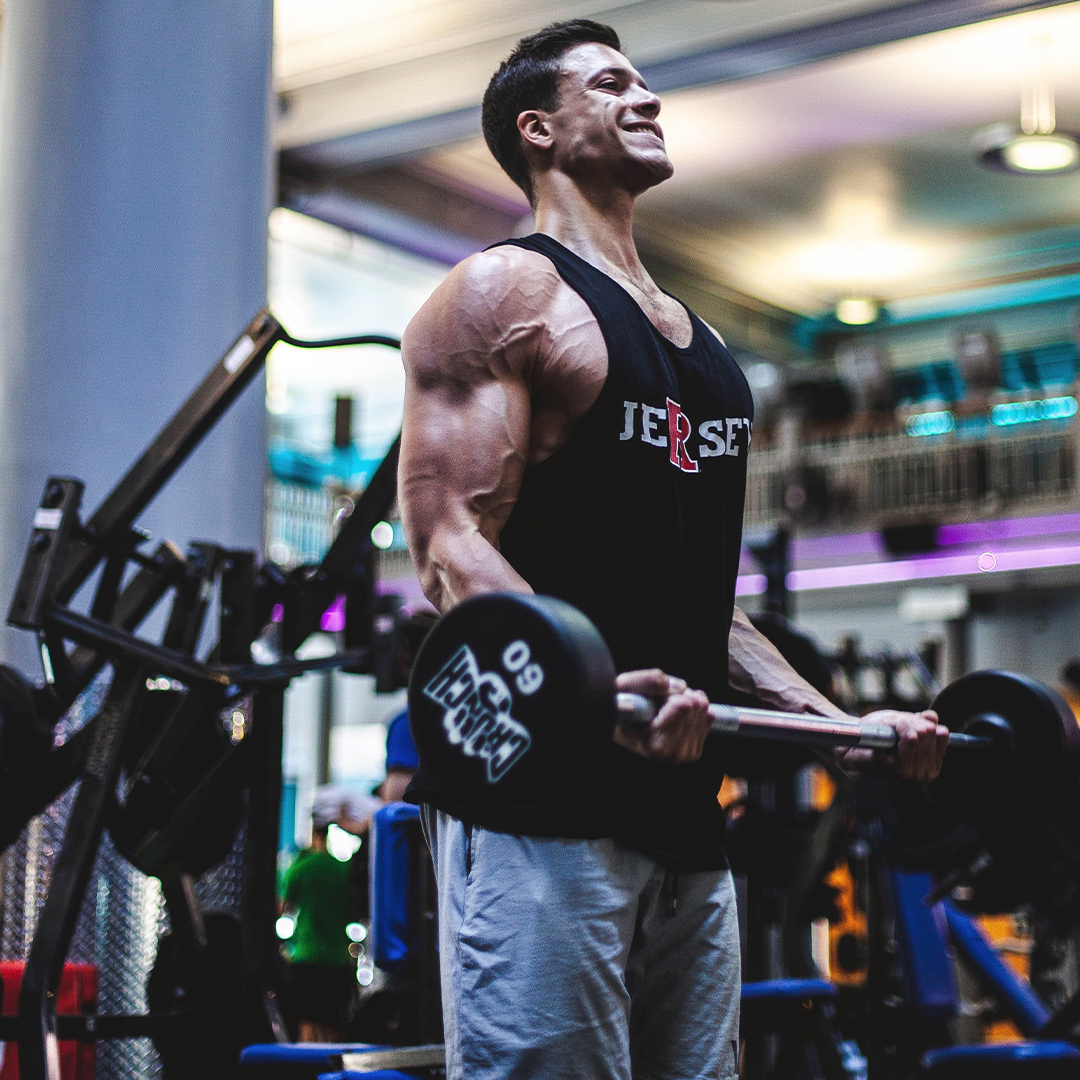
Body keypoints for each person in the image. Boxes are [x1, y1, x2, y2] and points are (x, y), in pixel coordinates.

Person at [397, 20, 949, 1080]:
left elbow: (707, 605)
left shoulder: (701, 350)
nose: (647, 99)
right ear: (540, 130)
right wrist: (590, 688)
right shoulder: (502, 295)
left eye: (647, 83)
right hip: (540, 801)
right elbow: (447, 543)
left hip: (685, 810)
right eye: (613, 85)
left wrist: (838, 729)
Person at [280, 808, 357, 1042]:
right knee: (333, 1027)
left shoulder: (301, 867)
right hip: (337, 960)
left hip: (307, 958)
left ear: (313, 831)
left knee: (306, 1025)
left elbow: (283, 908)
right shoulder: (343, 869)